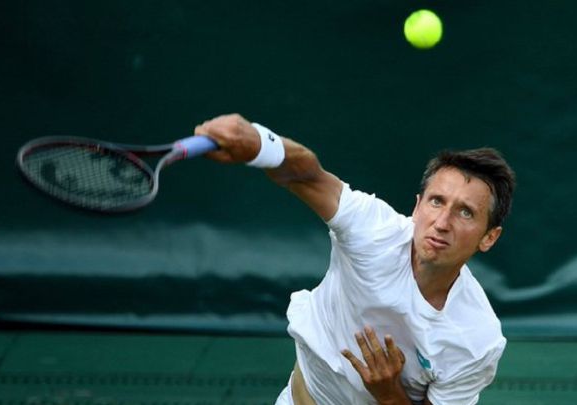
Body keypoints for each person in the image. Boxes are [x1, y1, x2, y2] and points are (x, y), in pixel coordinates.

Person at [194, 114, 516, 405]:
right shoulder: (373, 232)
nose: (442, 222)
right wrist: (258, 143)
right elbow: (309, 176)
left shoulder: (477, 340)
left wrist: (389, 395)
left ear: (489, 237)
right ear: (417, 207)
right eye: (436, 201)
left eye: (465, 212)